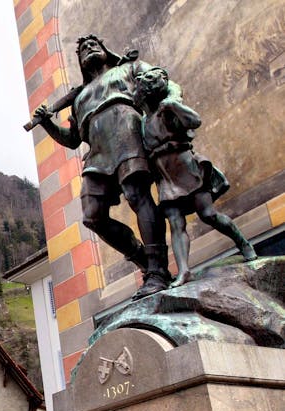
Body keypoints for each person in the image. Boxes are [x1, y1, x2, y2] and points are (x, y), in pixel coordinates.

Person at [33, 35, 181, 299]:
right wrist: (47, 123)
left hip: (126, 130)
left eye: (94, 45)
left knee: (138, 195)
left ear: (106, 50)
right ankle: (143, 260)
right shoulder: (80, 97)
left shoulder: (128, 69)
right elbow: (72, 139)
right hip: (98, 153)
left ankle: (158, 269)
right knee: (92, 215)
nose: (89, 49)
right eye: (82, 50)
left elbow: (161, 80)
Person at [134, 67, 257, 286]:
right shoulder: (144, 122)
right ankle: (184, 271)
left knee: (208, 214)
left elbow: (195, 120)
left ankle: (243, 243)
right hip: (166, 178)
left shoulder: (167, 109)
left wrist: (174, 105)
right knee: (175, 223)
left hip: (187, 169)